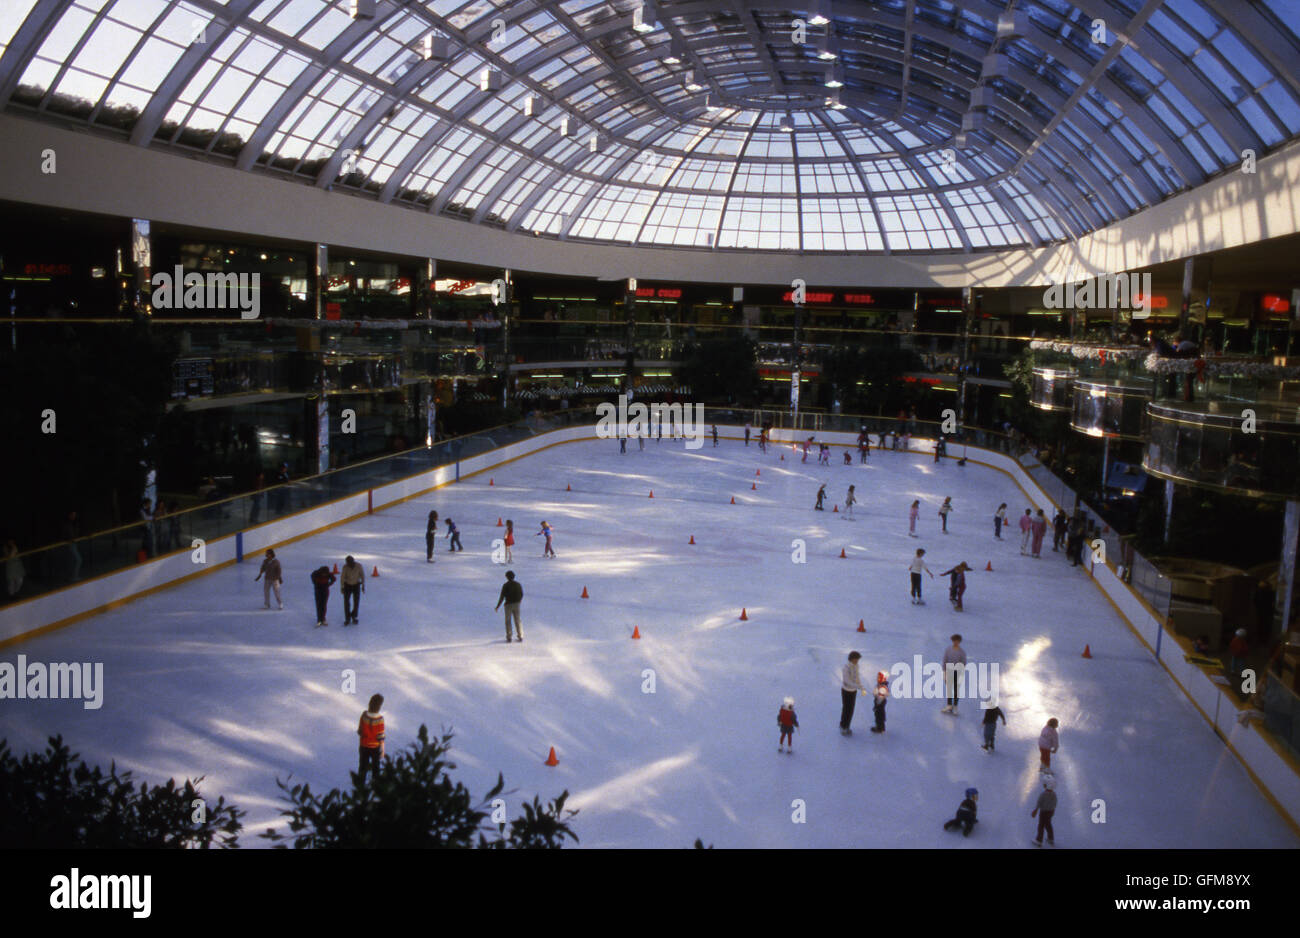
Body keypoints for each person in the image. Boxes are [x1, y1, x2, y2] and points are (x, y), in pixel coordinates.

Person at [357, 694, 385, 784]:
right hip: (375, 747)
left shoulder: (364, 715)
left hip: (363, 746)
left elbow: (359, 731)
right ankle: (375, 787)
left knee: (362, 767)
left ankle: (360, 787)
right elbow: (380, 737)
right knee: (375, 768)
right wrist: (383, 751)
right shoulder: (380, 719)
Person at [840, 651, 866, 735]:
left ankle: (847, 725)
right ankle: (843, 726)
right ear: (851, 659)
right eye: (856, 660)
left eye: (858, 660)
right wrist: (858, 686)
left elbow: (857, 677)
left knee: (851, 710)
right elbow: (847, 681)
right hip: (846, 691)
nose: (857, 661)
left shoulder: (856, 666)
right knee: (846, 709)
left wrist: (861, 686)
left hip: (853, 691)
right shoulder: (846, 668)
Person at [495, 570, 523, 643]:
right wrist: (519, 601)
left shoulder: (505, 585)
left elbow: (502, 597)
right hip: (517, 604)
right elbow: (521, 594)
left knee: (508, 621)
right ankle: (520, 635)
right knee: (517, 620)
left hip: (508, 605)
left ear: (507, 577)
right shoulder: (518, 584)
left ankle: (509, 636)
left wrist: (498, 606)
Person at [941, 634, 966, 713]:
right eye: (954, 641)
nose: (955, 642)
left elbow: (963, 663)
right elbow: (945, 660)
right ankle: (949, 705)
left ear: (959, 642)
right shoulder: (948, 650)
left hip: (957, 672)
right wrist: (944, 672)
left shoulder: (962, 652)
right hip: (949, 671)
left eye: (957, 641)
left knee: (956, 690)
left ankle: (955, 706)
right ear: (952, 641)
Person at [1031, 777, 1057, 847]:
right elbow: (1055, 803)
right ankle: (1050, 838)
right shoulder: (1054, 795)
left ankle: (1039, 840)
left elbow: (1039, 802)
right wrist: (1053, 810)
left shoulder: (1043, 794)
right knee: (1048, 824)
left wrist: (1035, 810)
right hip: (1050, 812)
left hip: (1043, 812)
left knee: (1041, 826)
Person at [340, 555, 365, 625]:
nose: (349, 564)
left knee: (356, 601)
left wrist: (363, 585)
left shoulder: (359, 566)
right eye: (348, 563)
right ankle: (347, 618)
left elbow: (362, 575)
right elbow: (342, 577)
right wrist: (342, 587)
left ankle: (354, 616)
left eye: (351, 562)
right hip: (347, 585)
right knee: (346, 602)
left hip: (356, 585)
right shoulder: (345, 567)